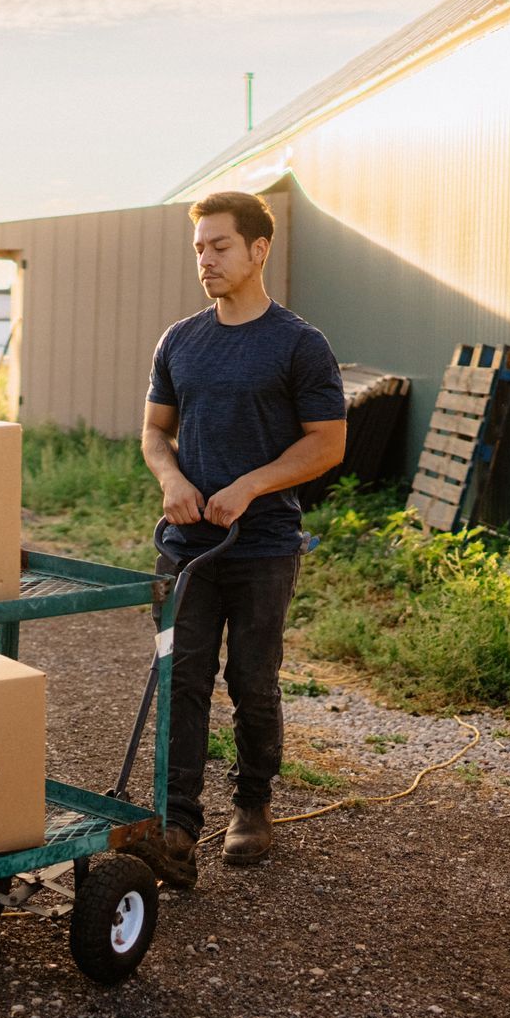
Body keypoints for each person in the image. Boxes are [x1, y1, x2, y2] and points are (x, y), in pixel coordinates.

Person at [126, 190, 345, 889]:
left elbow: (328, 444)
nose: (206, 259)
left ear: (258, 250)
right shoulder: (180, 341)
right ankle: (179, 825)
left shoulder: (300, 345)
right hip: (188, 545)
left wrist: (250, 485)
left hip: (264, 546)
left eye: (219, 246)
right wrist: (170, 478)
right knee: (180, 677)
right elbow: (155, 432)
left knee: (252, 679)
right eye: (199, 248)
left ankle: (252, 805)